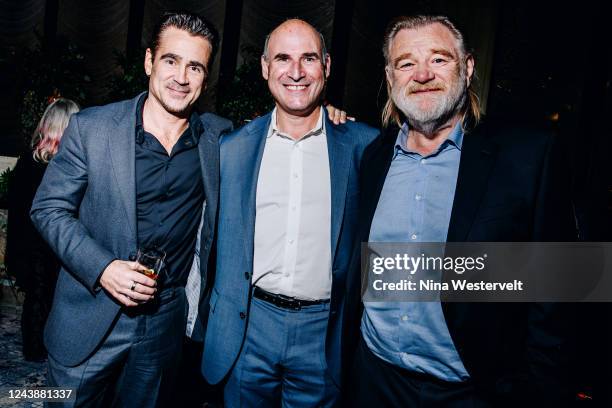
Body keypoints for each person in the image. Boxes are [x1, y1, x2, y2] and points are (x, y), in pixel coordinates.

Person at [345, 15, 577, 407]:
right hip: (374, 378)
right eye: (406, 63)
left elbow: (558, 286)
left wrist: (540, 390)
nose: (422, 74)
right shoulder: (373, 157)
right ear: (390, 77)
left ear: (467, 68)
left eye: (439, 59)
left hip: (475, 390)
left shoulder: (527, 157)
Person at [30, 12, 231, 407]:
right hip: (88, 319)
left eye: (195, 67)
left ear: (205, 78)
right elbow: (48, 208)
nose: (181, 77)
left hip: (163, 325)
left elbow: (278, 134)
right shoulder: (92, 128)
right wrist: (103, 268)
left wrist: (326, 115)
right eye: (171, 60)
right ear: (148, 62)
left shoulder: (220, 138)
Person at [201, 19, 378, 407]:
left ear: (326, 67)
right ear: (265, 67)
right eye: (283, 58)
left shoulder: (364, 147)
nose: (295, 72)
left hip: (324, 334)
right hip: (248, 328)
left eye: (308, 58)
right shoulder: (231, 148)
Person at [6, 98, 79, 362]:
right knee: (43, 298)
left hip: (31, 244)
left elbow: (16, 204)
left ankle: (37, 349)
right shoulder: (64, 166)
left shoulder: (30, 159)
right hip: (44, 246)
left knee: (38, 298)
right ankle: (39, 349)